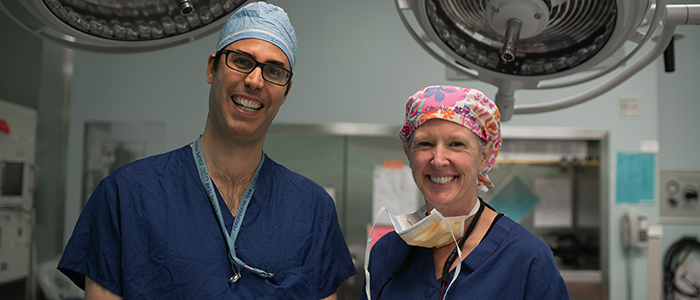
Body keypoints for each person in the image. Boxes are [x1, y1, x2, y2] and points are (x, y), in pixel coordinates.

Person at [58, 2, 356, 299]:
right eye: (241, 61)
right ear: (211, 68)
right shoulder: (125, 196)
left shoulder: (313, 209)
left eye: (274, 71)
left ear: (286, 91)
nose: (254, 80)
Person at [362, 85, 569, 300]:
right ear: (408, 153)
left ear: (484, 156)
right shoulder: (386, 254)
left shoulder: (526, 257)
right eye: (425, 144)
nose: (438, 160)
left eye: (456, 144)